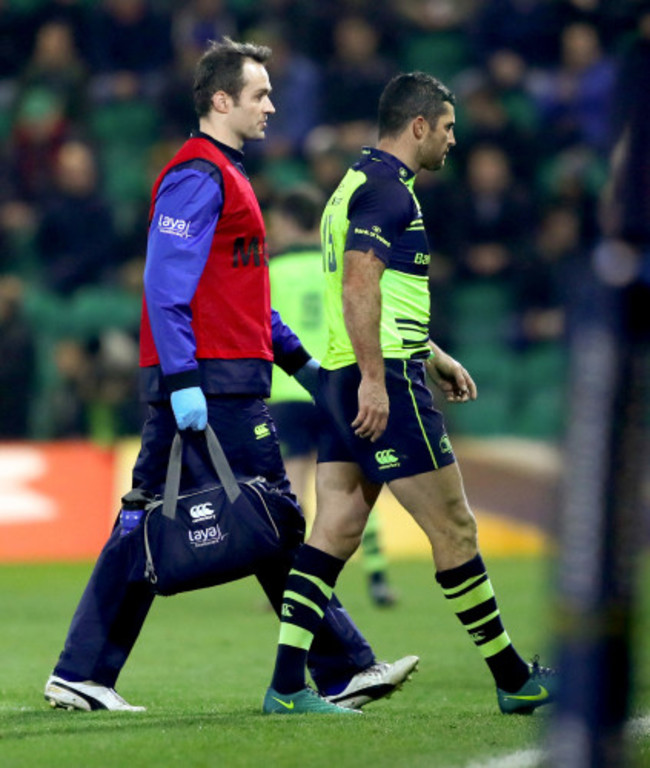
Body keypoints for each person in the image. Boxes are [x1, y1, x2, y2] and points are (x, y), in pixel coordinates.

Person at [44, 38, 418, 713]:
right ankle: (340, 667)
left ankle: (82, 671)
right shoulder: (197, 175)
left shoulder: (229, 174)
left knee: (147, 520)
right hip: (211, 382)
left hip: (223, 372)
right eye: (260, 94)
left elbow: (242, 295)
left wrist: (301, 364)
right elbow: (164, 285)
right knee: (272, 513)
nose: (273, 105)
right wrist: (185, 380)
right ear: (222, 101)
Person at [263, 71, 556, 715]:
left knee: (335, 530)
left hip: (344, 379)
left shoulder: (350, 186)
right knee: (454, 526)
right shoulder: (388, 194)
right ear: (417, 125)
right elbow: (360, 288)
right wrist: (380, 378)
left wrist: (437, 354)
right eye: (447, 127)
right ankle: (514, 678)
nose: (453, 140)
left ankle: (286, 686)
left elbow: (385, 296)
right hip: (380, 380)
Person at [267, 184, 398, 607]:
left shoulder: (271, 271)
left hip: (288, 388)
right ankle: (377, 574)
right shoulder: (338, 267)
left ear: (287, 221)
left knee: (294, 487)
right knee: (357, 480)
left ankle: (289, 580)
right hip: (337, 384)